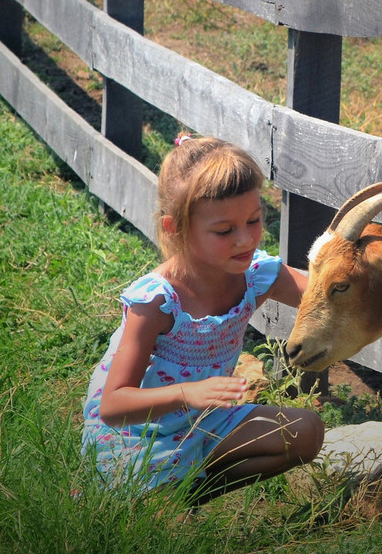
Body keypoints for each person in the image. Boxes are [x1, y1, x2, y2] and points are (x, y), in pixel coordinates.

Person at [81, 135, 324, 503]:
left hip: (206, 422)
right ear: (175, 227)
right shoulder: (157, 302)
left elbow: (326, 298)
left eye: (255, 220)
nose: (245, 240)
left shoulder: (257, 276)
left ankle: (191, 489)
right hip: (140, 436)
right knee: (165, 537)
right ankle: (151, 493)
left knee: (306, 432)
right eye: (224, 231)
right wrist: (187, 393)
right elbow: (113, 406)